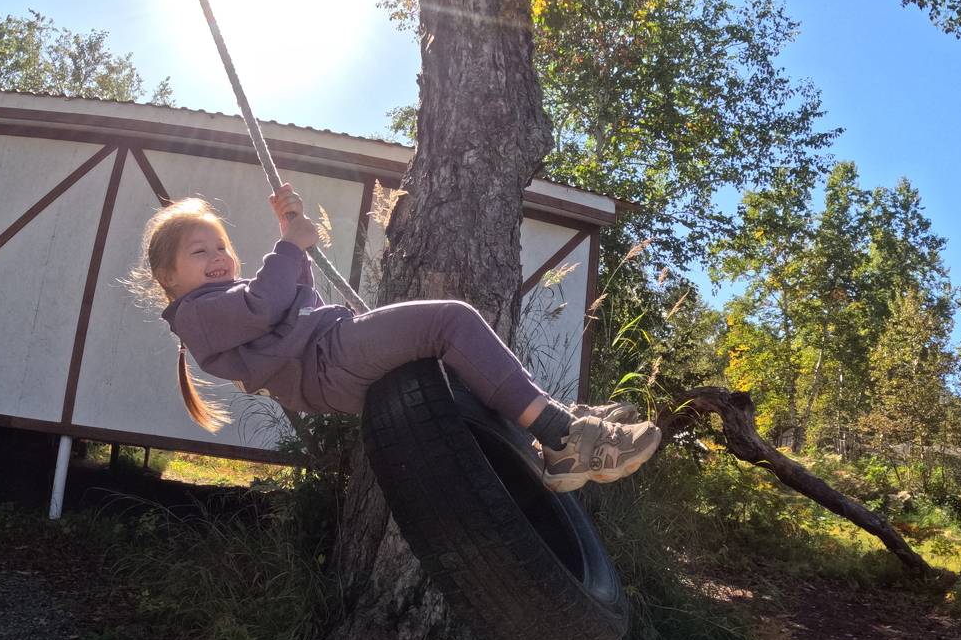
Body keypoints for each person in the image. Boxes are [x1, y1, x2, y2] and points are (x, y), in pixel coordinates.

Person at [137, 183, 661, 491]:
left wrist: (291, 228)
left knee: (458, 369)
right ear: (168, 278)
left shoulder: (222, 303)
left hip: (328, 356)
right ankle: (564, 434)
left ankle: (551, 431)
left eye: (221, 247)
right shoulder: (197, 314)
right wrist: (289, 247)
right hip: (327, 360)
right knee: (449, 322)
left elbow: (292, 297)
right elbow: (266, 303)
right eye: (199, 252)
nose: (218, 257)